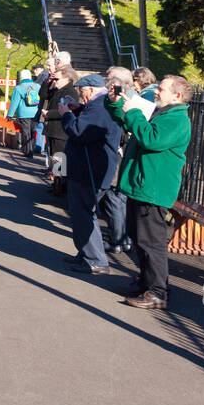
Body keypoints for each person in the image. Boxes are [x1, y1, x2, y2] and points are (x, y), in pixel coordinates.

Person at [106, 75, 194, 310]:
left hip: (153, 189)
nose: (156, 92)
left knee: (151, 243)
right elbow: (130, 125)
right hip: (142, 186)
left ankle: (157, 292)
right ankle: (146, 283)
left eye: (161, 89)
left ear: (177, 95)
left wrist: (133, 112)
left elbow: (151, 139)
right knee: (139, 239)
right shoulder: (163, 112)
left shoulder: (176, 119)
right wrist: (117, 104)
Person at [60, 74, 124, 273]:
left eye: (82, 91)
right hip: (91, 168)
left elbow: (80, 131)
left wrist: (67, 115)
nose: (80, 94)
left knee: (83, 213)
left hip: (90, 169)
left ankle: (95, 259)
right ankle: (87, 254)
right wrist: (78, 109)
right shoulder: (99, 105)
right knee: (85, 212)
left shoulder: (100, 106)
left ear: (92, 90)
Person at [100, 66, 136, 254]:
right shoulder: (124, 98)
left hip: (119, 155)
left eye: (109, 78)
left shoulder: (128, 101)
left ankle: (118, 239)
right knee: (119, 200)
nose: (106, 81)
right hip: (121, 154)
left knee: (114, 198)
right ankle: (123, 238)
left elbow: (122, 126)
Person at [42, 61, 80, 188]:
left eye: (57, 78)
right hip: (53, 130)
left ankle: (59, 186)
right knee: (55, 158)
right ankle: (56, 184)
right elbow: (43, 95)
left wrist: (48, 114)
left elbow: (66, 111)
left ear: (67, 78)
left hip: (60, 132)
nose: (55, 81)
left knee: (59, 159)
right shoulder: (57, 89)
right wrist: (48, 81)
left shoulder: (70, 91)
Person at [6, 68, 41, 157]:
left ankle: (28, 152)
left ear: (21, 77)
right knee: (33, 131)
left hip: (24, 113)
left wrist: (10, 115)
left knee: (26, 132)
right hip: (36, 112)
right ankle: (32, 148)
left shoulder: (18, 88)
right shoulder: (37, 86)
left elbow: (14, 102)